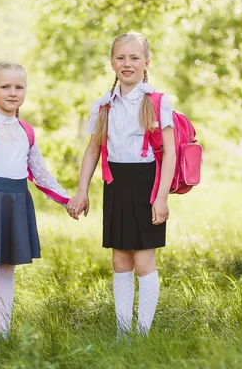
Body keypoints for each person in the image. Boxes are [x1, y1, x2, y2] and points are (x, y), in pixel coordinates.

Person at [66, 32, 176, 337]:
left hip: (146, 185)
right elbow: (92, 150)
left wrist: (162, 197)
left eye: (134, 57)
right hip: (115, 184)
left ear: (146, 63)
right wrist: (82, 190)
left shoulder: (156, 101)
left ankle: (142, 334)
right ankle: (122, 333)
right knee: (119, 260)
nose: (127, 63)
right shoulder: (104, 105)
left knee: (143, 261)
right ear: (112, 63)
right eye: (121, 57)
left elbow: (170, 153)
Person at [0, 61, 70, 350]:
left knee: (7, 270)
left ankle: (3, 332)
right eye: (5, 87)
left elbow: (40, 172)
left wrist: (67, 199)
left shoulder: (26, 131)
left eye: (19, 87)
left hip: (17, 202)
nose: (13, 92)